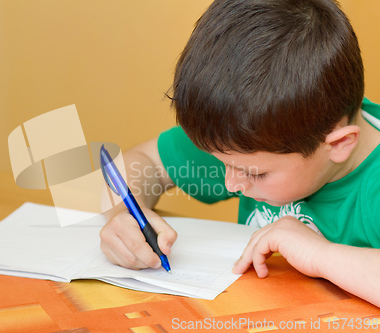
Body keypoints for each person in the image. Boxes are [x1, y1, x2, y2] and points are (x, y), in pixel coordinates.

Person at [99, 0, 380, 306]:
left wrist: (319, 254)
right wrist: (125, 217)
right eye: (223, 163)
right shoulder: (244, 140)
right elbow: (142, 163)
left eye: (255, 173)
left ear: (339, 144)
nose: (231, 183)